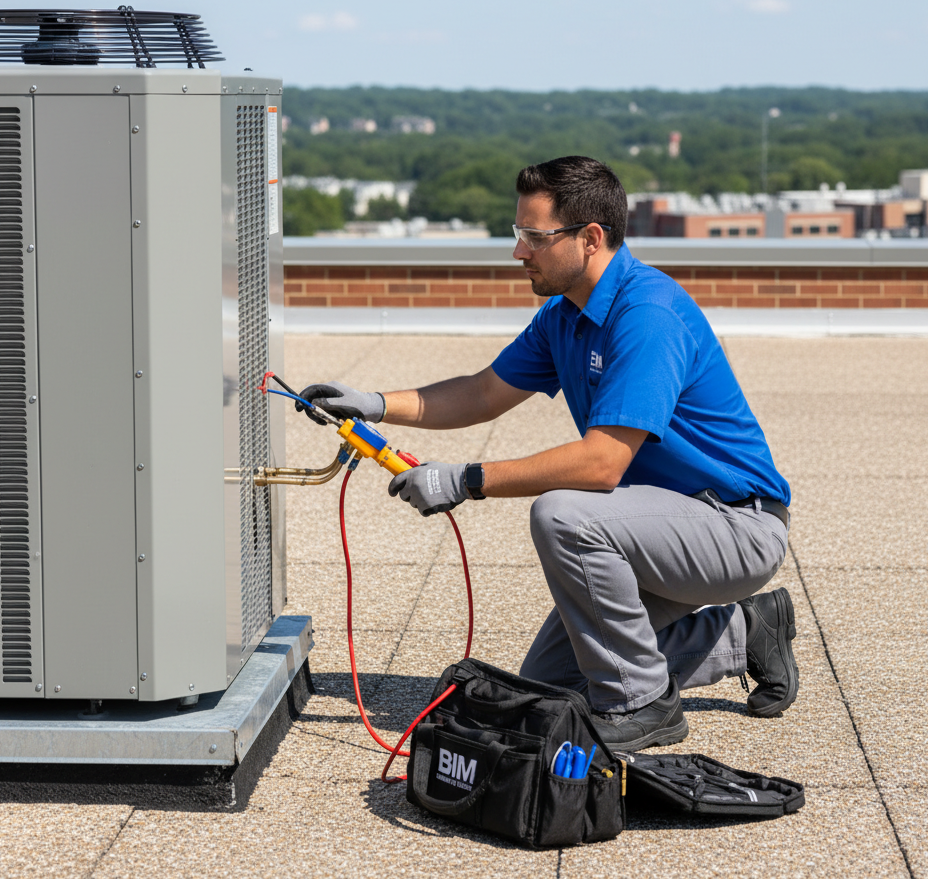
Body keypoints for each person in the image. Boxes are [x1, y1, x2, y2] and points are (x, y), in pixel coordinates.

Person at [298, 156, 798, 754]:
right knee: (553, 686)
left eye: (535, 237)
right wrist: (375, 405)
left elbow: (601, 464)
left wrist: (465, 479)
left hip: (734, 526)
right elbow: (482, 392)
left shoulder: (647, 315)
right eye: (520, 234)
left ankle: (644, 705)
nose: (520, 252)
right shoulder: (565, 316)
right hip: (655, 524)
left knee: (564, 514)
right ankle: (747, 632)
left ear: (590, 238)